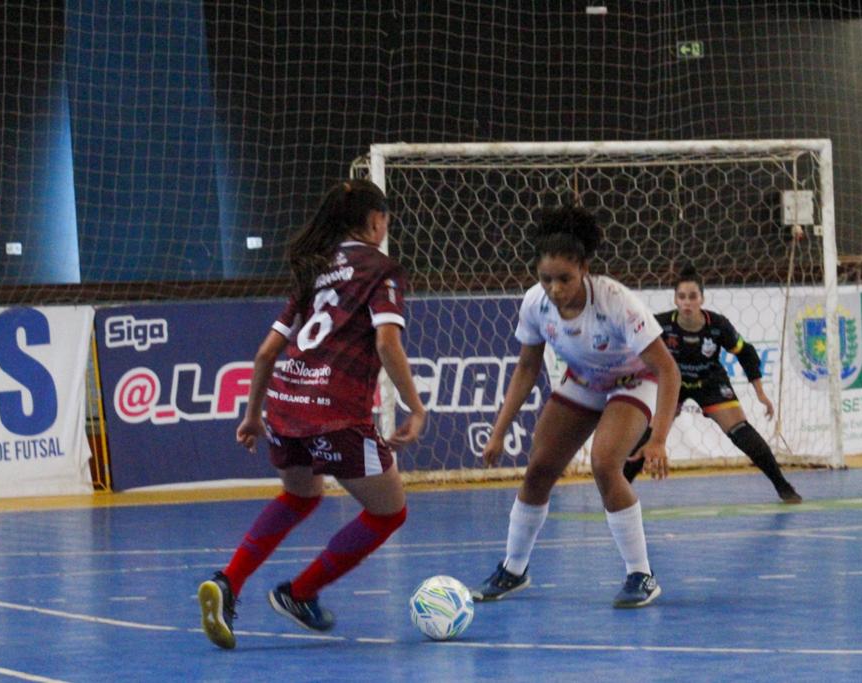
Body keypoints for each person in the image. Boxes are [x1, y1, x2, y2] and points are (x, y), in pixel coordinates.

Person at [198, 179, 427, 649]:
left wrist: (252, 416)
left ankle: (228, 581)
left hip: (285, 406)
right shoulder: (383, 270)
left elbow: (265, 354)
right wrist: (415, 407)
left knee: (300, 496)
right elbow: (387, 343)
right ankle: (300, 593)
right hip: (337, 415)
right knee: (389, 513)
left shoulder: (316, 271)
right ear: (375, 221)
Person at [473, 206, 681, 609]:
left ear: (585, 268)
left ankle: (641, 574)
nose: (554, 288)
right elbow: (527, 367)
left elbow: (667, 370)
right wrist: (498, 430)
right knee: (539, 468)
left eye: (564, 279)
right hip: (584, 381)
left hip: (633, 381)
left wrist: (658, 439)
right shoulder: (535, 304)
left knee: (604, 464)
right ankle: (513, 570)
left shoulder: (617, 303)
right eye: (545, 279)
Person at [622, 264, 801, 504]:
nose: (687, 302)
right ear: (675, 300)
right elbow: (633, 350)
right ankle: (618, 491)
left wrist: (760, 393)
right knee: (650, 437)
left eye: (693, 297)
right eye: (682, 297)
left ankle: (783, 486)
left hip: (710, 381)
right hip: (673, 383)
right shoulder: (660, 325)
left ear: (702, 299)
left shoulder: (717, 325)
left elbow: (746, 352)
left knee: (741, 431)